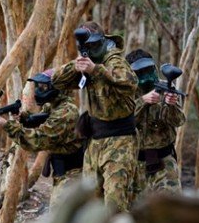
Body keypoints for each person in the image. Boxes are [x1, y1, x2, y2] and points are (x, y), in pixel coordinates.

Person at [52, 22, 139, 212]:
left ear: (103, 41)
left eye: (93, 45)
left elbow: (130, 83)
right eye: (86, 46)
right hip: (95, 142)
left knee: (115, 203)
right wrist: (76, 67)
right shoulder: (88, 62)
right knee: (92, 204)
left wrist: (96, 71)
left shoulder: (114, 61)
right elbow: (57, 81)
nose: (90, 49)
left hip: (119, 141)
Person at [0, 68, 84, 210]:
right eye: (39, 86)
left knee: (61, 218)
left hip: (72, 174)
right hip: (62, 172)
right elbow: (41, 120)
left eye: (44, 86)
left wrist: (8, 125)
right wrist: (23, 118)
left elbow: (39, 139)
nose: (39, 90)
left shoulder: (66, 111)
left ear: (58, 87)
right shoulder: (53, 106)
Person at [125, 49, 186, 195]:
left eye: (148, 69)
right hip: (135, 163)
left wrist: (170, 105)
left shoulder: (166, 88)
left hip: (164, 162)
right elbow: (122, 122)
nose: (146, 75)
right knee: (137, 212)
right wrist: (142, 102)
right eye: (141, 71)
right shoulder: (126, 92)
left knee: (171, 206)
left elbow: (178, 121)